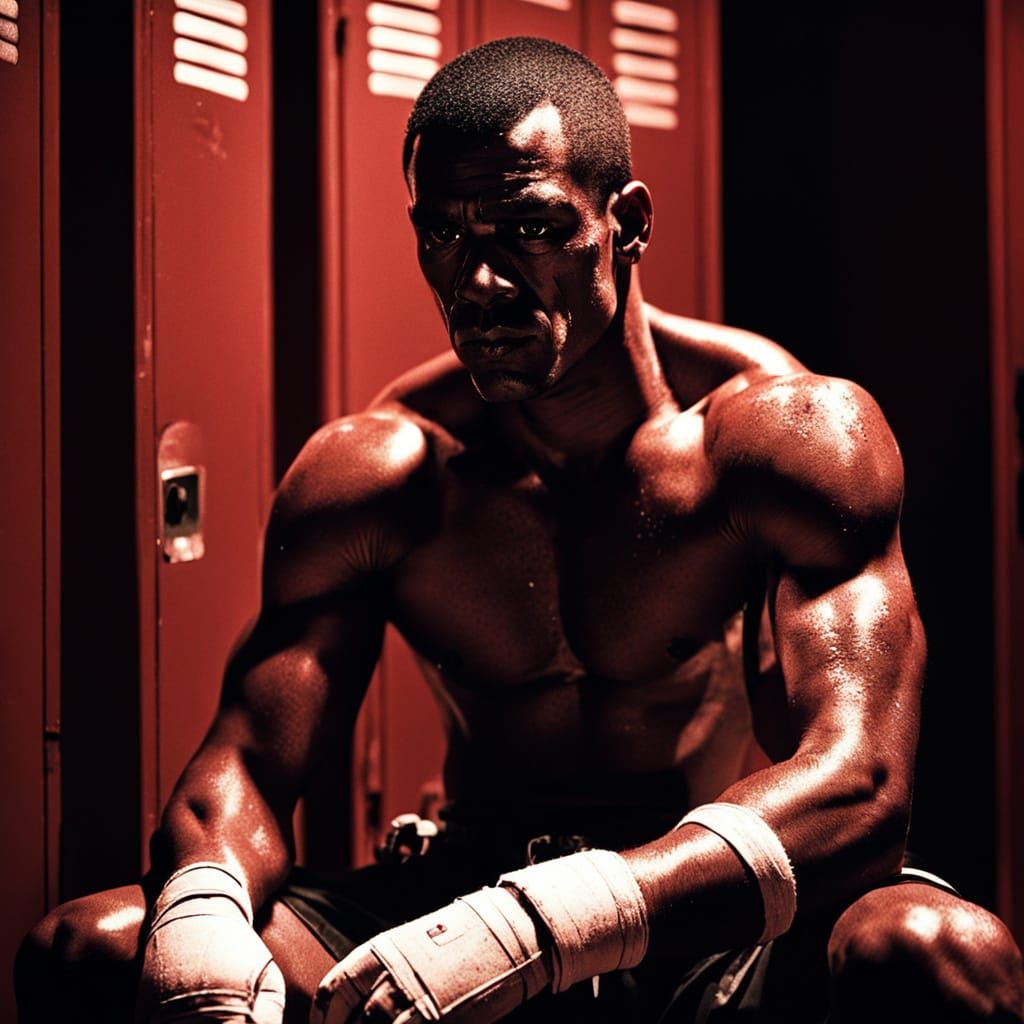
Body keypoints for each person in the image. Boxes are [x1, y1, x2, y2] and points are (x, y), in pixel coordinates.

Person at [15, 36, 1024, 1024]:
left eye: (528, 230)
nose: (480, 285)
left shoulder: (779, 442)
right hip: (460, 898)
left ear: (625, 222)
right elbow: (242, 761)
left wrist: (546, 927)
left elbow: (861, 784)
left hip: (707, 915)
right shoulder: (382, 475)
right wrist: (202, 921)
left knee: (939, 956)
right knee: (94, 949)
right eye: (444, 237)